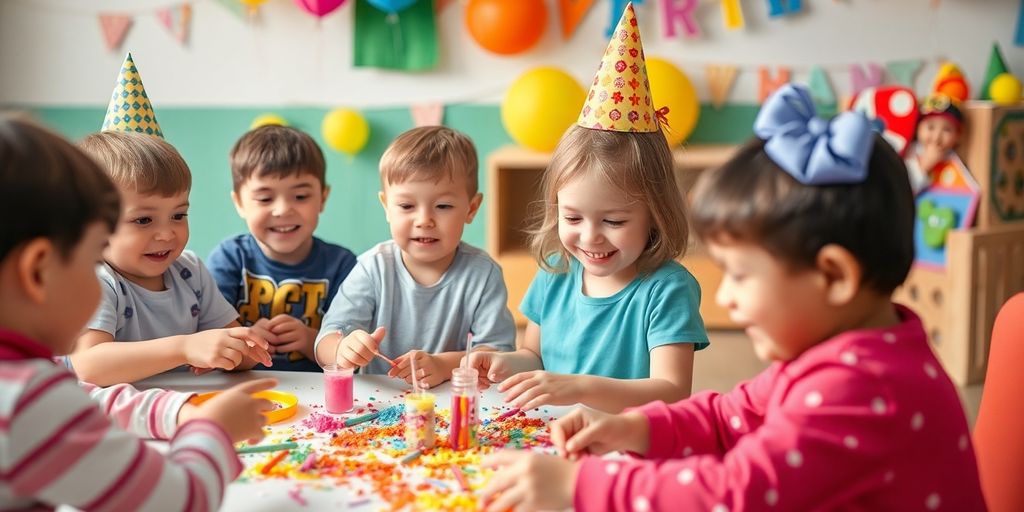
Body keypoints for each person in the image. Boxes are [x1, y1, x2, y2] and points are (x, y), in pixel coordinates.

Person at [480, 84, 986, 511]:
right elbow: (726, 416)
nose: (726, 296)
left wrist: (579, 484)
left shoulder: (860, 392)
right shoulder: (840, 353)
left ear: (834, 276)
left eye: (742, 276)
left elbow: (732, 493)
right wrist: (632, 427)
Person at [0, 116, 276, 510]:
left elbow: (95, 400)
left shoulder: (32, 385)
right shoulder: (29, 399)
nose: (166, 234)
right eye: (92, 257)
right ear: (38, 270)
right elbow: (180, 500)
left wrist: (235, 350)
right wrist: (210, 428)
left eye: (179, 215)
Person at [464, 3, 707, 413]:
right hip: (551, 436)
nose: (590, 236)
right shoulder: (556, 271)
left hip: (628, 444)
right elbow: (535, 358)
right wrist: (506, 363)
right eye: (572, 217)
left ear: (656, 213)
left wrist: (577, 389)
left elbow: (671, 390)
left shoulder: (666, 290)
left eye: (613, 220)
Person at [314, 126, 515, 388]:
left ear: (471, 208)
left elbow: (498, 355)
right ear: (387, 206)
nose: (424, 221)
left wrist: (444, 365)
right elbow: (325, 342)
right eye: (407, 206)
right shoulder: (372, 267)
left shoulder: (483, 274)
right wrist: (342, 349)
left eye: (443, 206)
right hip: (378, 406)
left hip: (454, 404)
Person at [69, 130, 272, 385]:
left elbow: (235, 350)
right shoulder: (97, 279)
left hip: (185, 408)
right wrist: (184, 348)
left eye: (178, 216)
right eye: (143, 220)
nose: (166, 234)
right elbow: (88, 365)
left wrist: (243, 348)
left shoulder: (190, 271)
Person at [208, 125, 357, 372]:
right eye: (265, 199)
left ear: (323, 198)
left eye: (300, 196)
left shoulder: (342, 264)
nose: (283, 210)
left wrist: (311, 340)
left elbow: (351, 354)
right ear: (239, 203)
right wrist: (249, 342)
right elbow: (211, 342)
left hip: (319, 395)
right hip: (242, 390)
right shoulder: (229, 258)